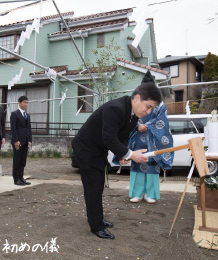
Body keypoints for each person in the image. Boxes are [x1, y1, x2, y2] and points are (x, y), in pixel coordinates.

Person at [72, 81, 162, 239]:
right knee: (93, 186)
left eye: (152, 109)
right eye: (148, 106)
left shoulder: (133, 114)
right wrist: (131, 155)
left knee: (99, 184)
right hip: (85, 149)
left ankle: (97, 218)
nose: (148, 112)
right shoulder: (116, 108)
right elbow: (109, 138)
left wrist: (122, 154)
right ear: (137, 98)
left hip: (98, 149)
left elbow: (122, 136)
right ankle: (96, 226)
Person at [128, 72, 174, 204]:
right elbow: (130, 116)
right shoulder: (136, 100)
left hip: (153, 138)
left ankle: (150, 194)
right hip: (138, 138)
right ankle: (137, 193)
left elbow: (162, 120)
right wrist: (137, 126)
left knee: (152, 165)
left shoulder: (159, 104)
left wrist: (147, 125)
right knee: (137, 163)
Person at [10, 96, 32, 186]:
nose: (25, 104)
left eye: (27, 102)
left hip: (26, 140)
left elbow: (29, 128)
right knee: (17, 160)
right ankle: (16, 179)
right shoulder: (14, 114)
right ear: (19, 103)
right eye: (24, 102)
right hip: (18, 141)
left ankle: (21, 177)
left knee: (23, 160)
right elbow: (13, 128)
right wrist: (16, 140)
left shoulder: (27, 115)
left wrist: (29, 140)